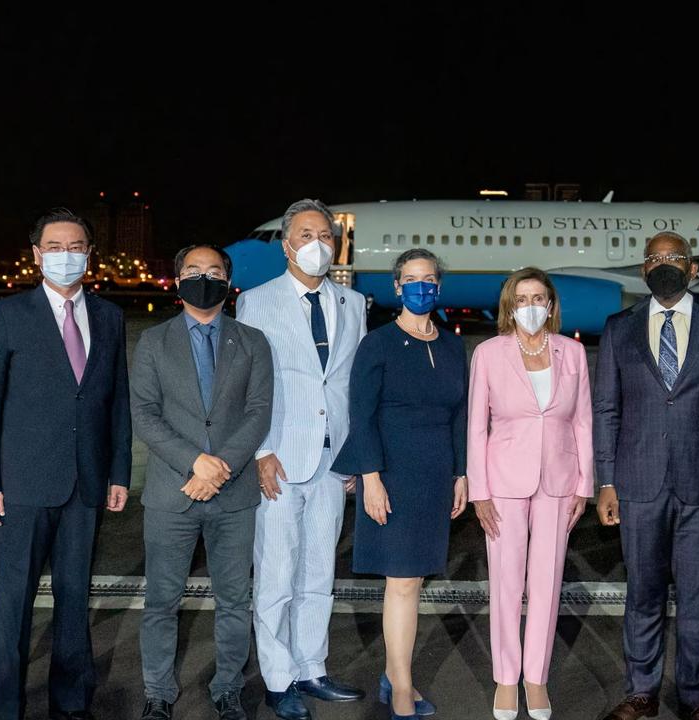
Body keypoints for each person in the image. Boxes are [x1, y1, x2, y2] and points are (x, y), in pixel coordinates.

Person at [0, 208, 132, 720]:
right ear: (38, 254)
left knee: (73, 600)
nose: (68, 256)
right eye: (56, 247)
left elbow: (117, 404)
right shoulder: (9, 315)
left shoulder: (108, 316)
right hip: (23, 484)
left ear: (90, 254)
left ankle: (71, 702)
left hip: (86, 484)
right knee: (14, 605)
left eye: (77, 246)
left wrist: (119, 472)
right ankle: (8, 706)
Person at [593, 232, 699, 720]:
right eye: (655, 259)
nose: (665, 265)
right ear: (643, 270)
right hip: (637, 484)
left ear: (693, 267)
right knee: (642, 592)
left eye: (674, 258)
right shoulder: (619, 327)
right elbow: (606, 410)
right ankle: (641, 690)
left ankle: (695, 697)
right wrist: (605, 481)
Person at [132, 244, 274, 720]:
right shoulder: (154, 342)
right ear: (177, 280)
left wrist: (221, 467)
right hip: (173, 492)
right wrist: (195, 463)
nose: (204, 277)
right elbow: (145, 416)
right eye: (194, 270)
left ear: (227, 282)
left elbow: (258, 413)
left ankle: (229, 688)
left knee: (235, 599)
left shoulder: (252, 341)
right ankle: (157, 693)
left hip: (233, 495)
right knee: (161, 601)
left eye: (214, 271)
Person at [237, 200, 367, 720]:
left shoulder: (354, 303)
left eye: (326, 235)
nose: (317, 242)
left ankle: (311, 667)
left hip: (334, 460)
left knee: (318, 571)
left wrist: (356, 453)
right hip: (281, 458)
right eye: (306, 233)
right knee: (275, 572)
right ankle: (276, 677)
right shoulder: (256, 302)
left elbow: (351, 384)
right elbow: (249, 384)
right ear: (288, 244)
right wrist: (260, 452)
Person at [331, 248, 468, 720]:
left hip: (435, 474)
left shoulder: (453, 346)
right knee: (403, 581)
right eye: (411, 278)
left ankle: (394, 675)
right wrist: (370, 478)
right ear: (396, 287)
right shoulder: (379, 344)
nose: (421, 286)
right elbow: (360, 414)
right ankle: (403, 686)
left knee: (415, 578)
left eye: (429, 278)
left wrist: (461, 473)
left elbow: (460, 417)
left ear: (439, 285)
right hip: (392, 471)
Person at [467, 267, 593, 720]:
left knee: (547, 581)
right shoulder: (488, 353)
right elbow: (476, 425)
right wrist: (479, 491)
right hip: (503, 482)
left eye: (539, 297)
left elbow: (582, 420)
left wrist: (584, 483)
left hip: (559, 481)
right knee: (506, 582)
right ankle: (506, 677)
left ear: (552, 304)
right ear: (509, 306)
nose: (531, 306)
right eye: (522, 299)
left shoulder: (573, 352)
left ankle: (536, 678)